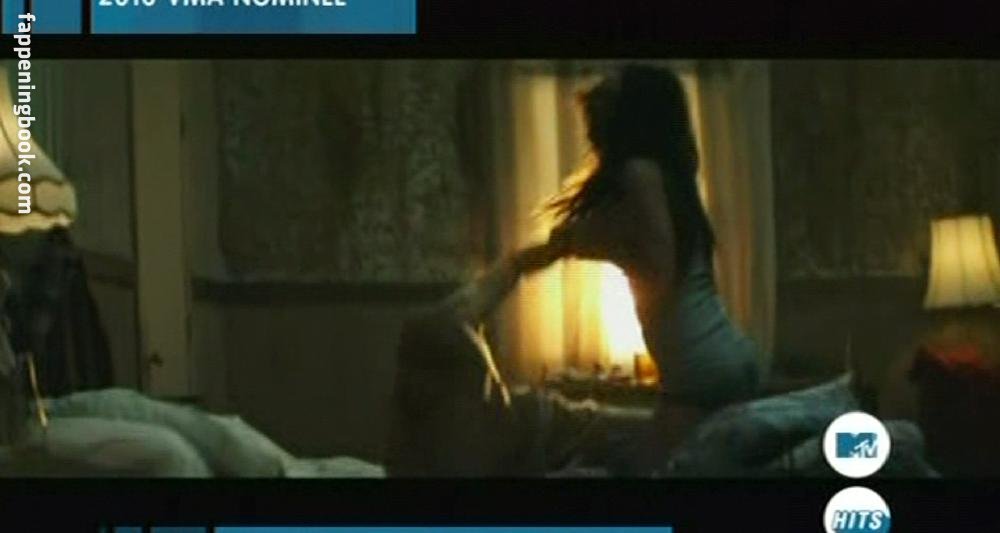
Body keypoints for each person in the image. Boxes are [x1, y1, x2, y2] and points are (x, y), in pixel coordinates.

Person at [389, 64, 765, 476]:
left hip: (700, 372)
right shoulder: (666, 178)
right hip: (720, 359)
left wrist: (598, 246)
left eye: (611, 95)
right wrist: (549, 255)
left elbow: (658, 264)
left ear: (633, 110)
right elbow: (638, 253)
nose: (595, 104)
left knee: (647, 467)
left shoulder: (638, 172)